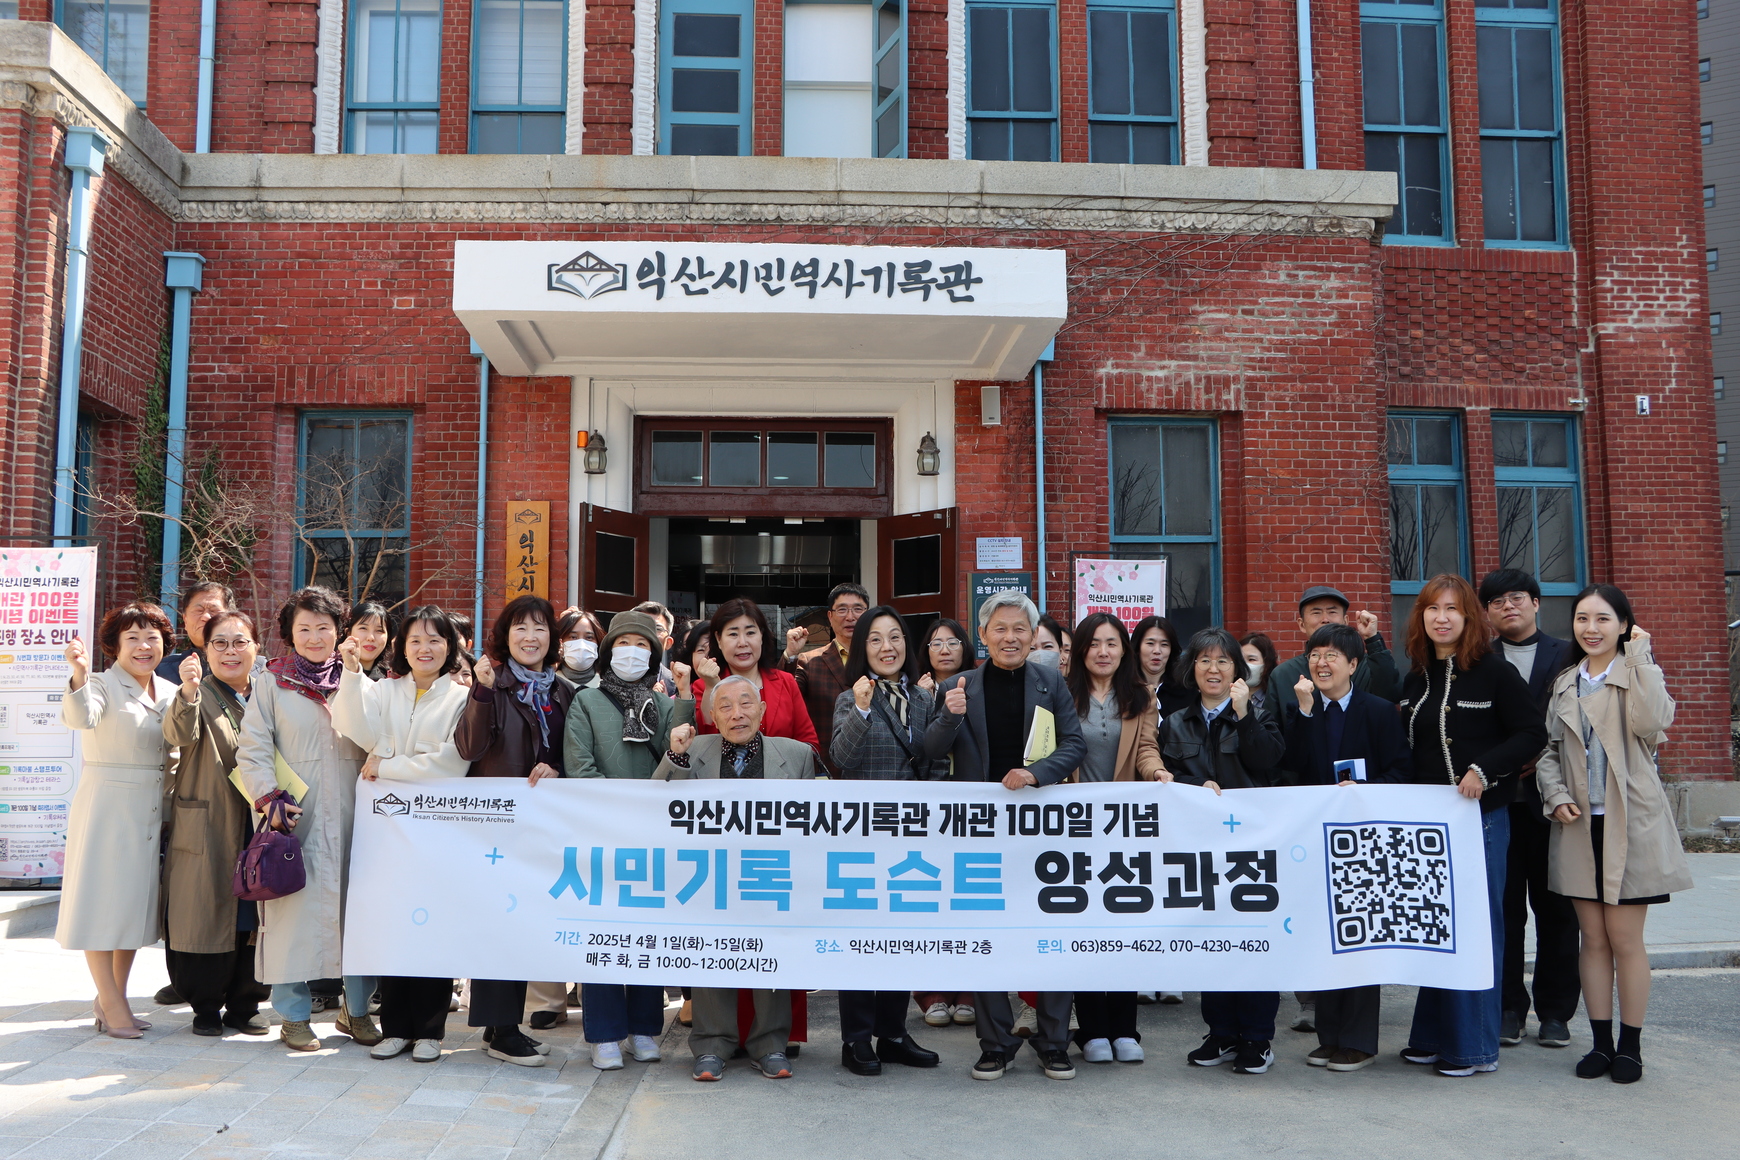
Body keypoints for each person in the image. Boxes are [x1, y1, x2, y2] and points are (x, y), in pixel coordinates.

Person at [923, 589, 1086, 1083]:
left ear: (1033, 636)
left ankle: (1053, 1043)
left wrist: (1036, 774)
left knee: (1051, 935)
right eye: (1000, 629)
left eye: (1020, 629)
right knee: (985, 936)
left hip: (1041, 829)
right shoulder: (958, 685)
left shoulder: (1049, 682)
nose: (1010, 637)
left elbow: (1074, 744)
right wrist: (949, 714)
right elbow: (929, 749)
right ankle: (995, 1044)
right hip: (980, 833)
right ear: (983, 635)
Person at [1536, 585, 1691, 1085]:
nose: (1591, 628)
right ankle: (1600, 1044)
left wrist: (1641, 656)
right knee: (1594, 940)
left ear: (1624, 625)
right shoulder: (1565, 682)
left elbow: (1653, 722)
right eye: (1582, 618)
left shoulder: (1637, 671)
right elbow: (1549, 751)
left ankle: (1631, 1047)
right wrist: (1555, 793)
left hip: (1632, 822)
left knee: (1626, 940)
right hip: (1579, 824)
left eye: (1603, 619)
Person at [1397, 574, 1547, 1078]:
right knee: (1436, 927)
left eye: (1452, 609)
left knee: (1477, 928)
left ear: (1468, 617)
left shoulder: (1494, 671)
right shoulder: (1416, 677)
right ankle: (1431, 1036)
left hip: (1480, 820)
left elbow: (1532, 732)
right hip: (1427, 827)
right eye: (1432, 609)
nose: (1441, 618)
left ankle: (1473, 1047)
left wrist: (1484, 770)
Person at [233, 586, 379, 1052]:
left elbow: (381, 738)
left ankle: (357, 1011)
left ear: (339, 631)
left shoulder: (358, 680)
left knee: (358, 913)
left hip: (357, 815)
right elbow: (252, 747)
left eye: (324, 627)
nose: (315, 637)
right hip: (294, 816)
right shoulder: (271, 683)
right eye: (305, 629)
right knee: (290, 913)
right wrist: (268, 798)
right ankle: (293, 1016)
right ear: (289, 634)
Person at [656, 676, 817, 1081]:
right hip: (709, 876)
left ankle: (771, 1044)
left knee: (772, 955)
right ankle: (712, 1045)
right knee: (712, 955)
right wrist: (675, 757)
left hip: (770, 873)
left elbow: (814, 820)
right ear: (712, 715)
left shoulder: (797, 754)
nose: (737, 714)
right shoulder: (692, 750)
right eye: (725, 706)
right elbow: (656, 804)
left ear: (762, 710)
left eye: (746, 703)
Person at [1141, 627, 1285, 1075]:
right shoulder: (1175, 722)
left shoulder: (1260, 713)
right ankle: (1221, 1032)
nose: (1214, 669)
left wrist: (1244, 716)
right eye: (1204, 660)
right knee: (1212, 942)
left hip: (1251, 849)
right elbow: (1166, 779)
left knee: (1253, 942)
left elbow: (1268, 762)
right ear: (1192, 669)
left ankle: (1257, 1038)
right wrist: (1193, 786)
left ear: (1237, 671)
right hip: (1198, 849)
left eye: (1223, 661)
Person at [332, 605, 472, 1064]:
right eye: (415, 640)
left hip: (437, 830)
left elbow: (452, 763)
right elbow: (351, 725)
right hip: (387, 829)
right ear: (402, 648)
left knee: (433, 926)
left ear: (450, 647)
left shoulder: (462, 698)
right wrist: (351, 672)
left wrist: (388, 765)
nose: (424, 649)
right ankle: (395, 1027)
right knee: (391, 924)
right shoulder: (384, 690)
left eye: (434, 640)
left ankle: (430, 1030)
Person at [564, 610, 697, 1069]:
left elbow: (679, 761)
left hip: (654, 834)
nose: (632, 652)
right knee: (603, 932)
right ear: (609, 651)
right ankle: (603, 1033)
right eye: (624, 644)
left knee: (646, 932)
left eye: (643, 645)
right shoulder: (586, 700)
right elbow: (579, 765)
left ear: (654, 654)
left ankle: (643, 1028)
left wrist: (684, 695)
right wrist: (618, 810)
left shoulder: (664, 705)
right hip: (601, 830)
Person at [1281, 624, 1411, 1072]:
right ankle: (1329, 1036)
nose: (1322, 663)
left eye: (1332, 655)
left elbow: (1401, 771)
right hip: (1315, 841)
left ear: (1353, 664)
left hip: (1364, 842)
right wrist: (1304, 714)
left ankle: (1358, 1042)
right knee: (1323, 938)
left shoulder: (1379, 711)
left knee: (1359, 938)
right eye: (1315, 654)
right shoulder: (1302, 708)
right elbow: (1291, 767)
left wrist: (1364, 791)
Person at [455, 594, 577, 1066]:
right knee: (500, 922)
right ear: (505, 636)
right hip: (497, 827)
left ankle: (499, 1025)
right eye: (520, 628)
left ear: (552, 638)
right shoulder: (492, 682)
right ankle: (503, 1030)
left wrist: (557, 769)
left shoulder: (563, 691)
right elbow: (469, 748)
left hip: (542, 827)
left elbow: (570, 751)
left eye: (540, 627)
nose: (530, 637)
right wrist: (482, 694)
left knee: (523, 921)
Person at [828, 606, 943, 1076]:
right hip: (862, 836)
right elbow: (841, 757)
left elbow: (934, 761)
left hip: (911, 834)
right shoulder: (849, 697)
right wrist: (859, 708)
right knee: (860, 938)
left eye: (895, 637)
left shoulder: (923, 699)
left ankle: (893, 1034)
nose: (887, 647)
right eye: (875, 639)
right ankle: (856, 1038)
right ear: (862, 648)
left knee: (901, 936)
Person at [59, 603, 178, 1039]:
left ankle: (114, 997)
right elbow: (80, 716)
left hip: (152, 810)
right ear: (114, 645)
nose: (144, 646)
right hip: (108, 809)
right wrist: (78, 673)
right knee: (100, 906)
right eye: (132, 638)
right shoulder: (99, 684)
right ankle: (110, 1002)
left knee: (131, 910)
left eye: (152, 637)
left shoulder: (170, 690)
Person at [1479, 568, 1580, 1051]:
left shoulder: (1569, 653)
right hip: (1498, 802)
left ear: (1536, 603)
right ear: (1487, 612)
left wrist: (1543, 757)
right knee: (1504, 910)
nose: (1508, 607)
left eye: (1517, 598)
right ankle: (1508, 1009)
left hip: (1554, 804)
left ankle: (1556, 1013)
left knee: (1557, 910)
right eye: (1497, 601)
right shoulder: (1478, 658)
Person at [161, 609, 269, 1037]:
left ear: (256, 648)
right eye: (219, 643)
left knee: (252, 915)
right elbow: (178, 733)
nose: (230, 651)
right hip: (208, 824)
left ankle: (246, 1003)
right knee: (203, 913)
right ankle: (204, 1006)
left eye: (240, 642)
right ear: (205, 651)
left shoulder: (268, 695)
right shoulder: (197, 694)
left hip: (258, 824)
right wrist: (187, 691)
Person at [1065, 612, 1157, 1064]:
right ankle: (1092, 1030)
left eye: (1112, 643)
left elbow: (1146, 749)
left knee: (1124, 927)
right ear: (1082, 650)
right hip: (1075, 829)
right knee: (1083, 928)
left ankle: (1125, 1029)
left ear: (1124, 650)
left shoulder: (1141, 697)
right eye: (1094, 643)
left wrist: (1157, 773)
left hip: (1124, 829)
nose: (1103, 652)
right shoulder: (1062, 695)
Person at [912, 616, 976, 1027]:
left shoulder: (981, 687)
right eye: (936, 643)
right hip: (927, 809)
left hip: (973, 808)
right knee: (927, 897)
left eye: (953, 642)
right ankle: (930, 992)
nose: (945, 649)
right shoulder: (915, 692)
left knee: (969, 899)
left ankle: (969, 991)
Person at [694, 598, 819, 751]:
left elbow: (809, 744)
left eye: (750, 633)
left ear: (761, 636)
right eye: (733, 634)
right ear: (719, 640)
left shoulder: (786, 682)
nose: (742, 642)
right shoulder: (703, 687)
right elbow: (704, 744)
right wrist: (712, 687)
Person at [1266, 586, 1402, 709]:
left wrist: (1373, 640)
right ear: (1302, 624)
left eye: (1332, 612)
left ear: (1345, 621)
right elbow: (1273, 726)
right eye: (1316, 612)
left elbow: (1392, 694)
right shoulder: (1283, 675)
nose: (1325, 619)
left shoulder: (1366, 666)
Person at [783, 582, 869, 774]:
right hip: (828, 768)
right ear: (830, 616)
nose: (850, 617)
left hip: (874, 768)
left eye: (858, 609)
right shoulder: (810, 662)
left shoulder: (882, 660)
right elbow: (785, 697)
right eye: (842, 609)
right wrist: (791, 655)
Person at [154, 580, 235, 682]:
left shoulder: (250, 668)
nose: (206, 617)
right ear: (185, 621)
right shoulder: (160, 671)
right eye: (199, 611)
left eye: (214, 611)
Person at [1131, 615, 1191, 719]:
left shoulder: (1186, 692)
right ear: (1137, 647)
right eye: (1150, 643)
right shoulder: (1124, 690)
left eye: (1164, 644)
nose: (1157, 651)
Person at [341, 601, 395, 680]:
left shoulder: (393, 679)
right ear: (348, 633)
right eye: (363, 628)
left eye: (379, 630)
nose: (371, 638)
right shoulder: (331, 674)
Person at [555, 607, 604, 689]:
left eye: (589, 637)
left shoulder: (608, 685)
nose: (582, 644)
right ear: (560, 641)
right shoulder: (547, 684)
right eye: (573, 637)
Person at [1239, 632, 1279, 714]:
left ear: (1267, 663)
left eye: (1251, 659)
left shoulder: (1276, 697)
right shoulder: (1226, 696)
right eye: (1241, 660)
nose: (1245, 665)